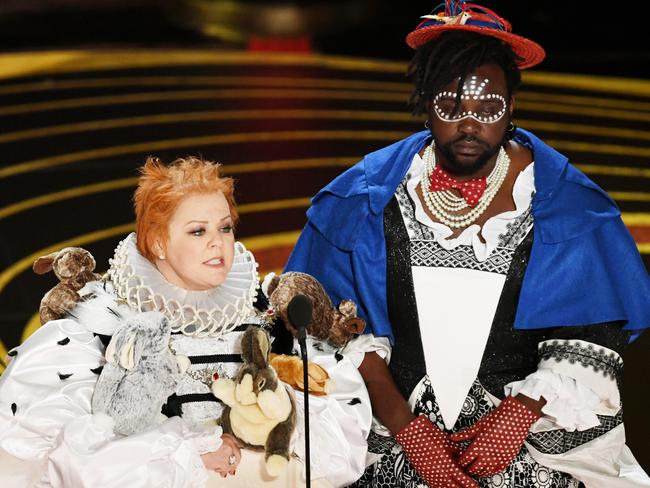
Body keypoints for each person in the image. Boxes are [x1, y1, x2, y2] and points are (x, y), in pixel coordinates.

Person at [285, 2, 650, 487]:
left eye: (488, 107)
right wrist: (407, 429)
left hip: (530, 440)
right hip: (391, 429)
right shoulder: (365, 196)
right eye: (451, 107)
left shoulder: (568, 204)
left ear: (512, 107)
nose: (470, 123)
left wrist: (521, 412)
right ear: (425, 104)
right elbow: (332, 323)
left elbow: (597, 325)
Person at [0, 156, 370, 487]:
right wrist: (194, 450)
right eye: (198, 231)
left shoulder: (266, 314)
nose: (218, 243)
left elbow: (335, 442)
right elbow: (85, 459)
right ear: (159, 242)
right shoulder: (110, 322)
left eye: (225, 228)